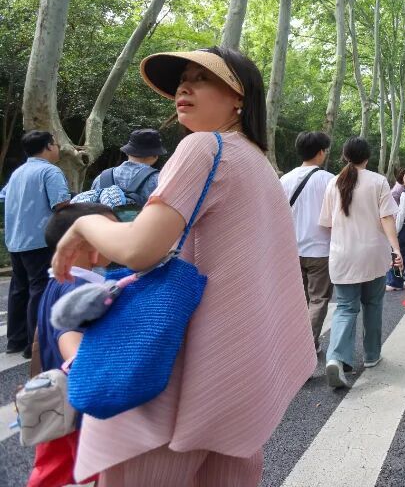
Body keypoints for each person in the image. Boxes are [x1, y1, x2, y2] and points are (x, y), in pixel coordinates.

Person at [51, 46, 314, 485]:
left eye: (203, 77)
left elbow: (140, 247)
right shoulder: (260, 164)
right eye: (181, 80)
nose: (184, 87)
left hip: (175, 373)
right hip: (235, 377)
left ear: (239, 98)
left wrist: (86, 226)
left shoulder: (204, 146)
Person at [26, 203, 115, 487]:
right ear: (83, 244)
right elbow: (71, 341)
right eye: (111, 231)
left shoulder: (58, 280)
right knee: (78, 470)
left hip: (54, 397)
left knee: (52, 468)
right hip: (76, 405)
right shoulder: (82, 289)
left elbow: (43, 339)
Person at [319, 137, 402, 387]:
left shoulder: (334, 182)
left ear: (344, 156)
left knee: (345, 307)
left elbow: (327, 224)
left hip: (342, 255)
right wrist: (395, 249)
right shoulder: (378, 181)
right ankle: (371, 355)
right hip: (373, 255)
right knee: (373, 304)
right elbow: (387, 218)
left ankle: (336, 357)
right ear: (368, 157)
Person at [1, 130, 70, 358]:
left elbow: (3, 196)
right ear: (49, 146)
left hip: (15, 240)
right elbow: (60, 204)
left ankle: (15, 341)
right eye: (56, 144)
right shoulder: (50, 171)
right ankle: (34, 344)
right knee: (38, 289)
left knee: (18, 290)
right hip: (40, 239)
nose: (57, 148)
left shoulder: (18, 172)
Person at [280, 130, 335, 353]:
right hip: (320, 250)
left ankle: (295, 345)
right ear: (321, 153)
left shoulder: (284, 179)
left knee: (298, 301)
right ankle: (305, 348)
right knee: (319, 299)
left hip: (292, 249)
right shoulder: (329, 180)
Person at [91, 128, 166, 207]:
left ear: (128, 152)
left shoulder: (100, 178)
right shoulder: (159, 180)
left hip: (103, 219)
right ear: (155, 155)